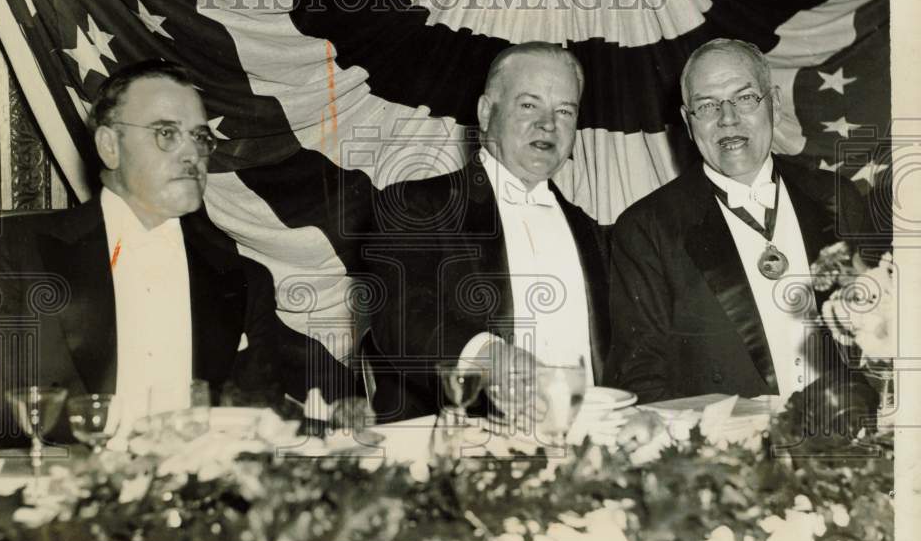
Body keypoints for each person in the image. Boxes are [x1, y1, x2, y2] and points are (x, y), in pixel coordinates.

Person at [0, 59, 348, 458]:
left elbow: (257, 425)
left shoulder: (243, 279)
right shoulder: (19, 252)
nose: (192, 153)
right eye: (166, 133)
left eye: (199, 137)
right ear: (110, 146)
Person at [603, 39, 868, 405]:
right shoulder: (647, 228)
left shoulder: (838, 198)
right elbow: (641, 378)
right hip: (729, 453)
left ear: (773, 103)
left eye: (745, 98)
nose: (728, 119)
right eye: (707, 105)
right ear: (687, 120)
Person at [363, 42, 609, 422]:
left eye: (565, 110)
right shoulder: (418, 206)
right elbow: (402, 317)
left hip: (590, 445)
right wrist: (487, 358)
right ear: (484, 112)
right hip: (462, 449)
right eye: (529, 105)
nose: (548, 124)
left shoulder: (592, 232)